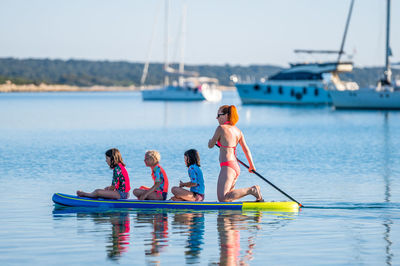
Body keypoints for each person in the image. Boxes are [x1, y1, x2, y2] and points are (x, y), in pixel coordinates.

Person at [208, 105, 263, 202]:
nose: (216, 118)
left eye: (218, 115)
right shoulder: (238, 131)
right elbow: (246, 149)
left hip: (227, 167)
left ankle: (252, 190)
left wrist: (210, 141)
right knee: (228, 198)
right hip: (235, 167)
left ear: (226, 115)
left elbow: (211, 145)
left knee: (222, 198)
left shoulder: (221, 128)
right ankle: (233, 216)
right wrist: (251, 165)